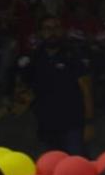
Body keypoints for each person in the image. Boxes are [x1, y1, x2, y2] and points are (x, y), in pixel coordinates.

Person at [14, 15, 94, 156]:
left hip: (73, 123)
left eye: (56, 28)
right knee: (53, 167)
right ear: (40, 33)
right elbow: (24, 88)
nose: (52, 32)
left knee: (77, 166)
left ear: (62, 30)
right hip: (46, 124)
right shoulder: (35, 57)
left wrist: (89, 122)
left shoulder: (73, 54)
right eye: (47, 29)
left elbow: (86, 89)